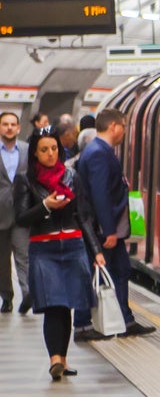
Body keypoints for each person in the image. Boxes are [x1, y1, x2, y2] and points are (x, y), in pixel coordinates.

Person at [13, 129, 94, 381]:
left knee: (66, 305)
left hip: (72, 246)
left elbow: (83, 215)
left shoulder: (71, 176)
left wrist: (97, 251)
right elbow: (22, 217)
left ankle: (63, 359)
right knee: (52, 304)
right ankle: (54, 359)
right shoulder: (26, 180)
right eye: (44, 150)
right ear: (35, 154)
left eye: (54, 149)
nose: (50, 154)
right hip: (44, 248)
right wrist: (46, 205)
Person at [73, 108, 155, 342]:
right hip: (103, 228)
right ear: (114, 127)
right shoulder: (99, 152)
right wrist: (108, 230)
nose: (125, 131)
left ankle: (124, 320)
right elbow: (100, 194)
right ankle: (82, 323)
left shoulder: (97, 150)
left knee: (119, 270)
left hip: (105, 227)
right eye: (124, 126)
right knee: (97, 272)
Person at [0, 111, 29, 313]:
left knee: (23, 256)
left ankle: (27, 295)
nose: (9, 127)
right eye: (5, 124)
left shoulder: (27, 150)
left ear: (18, 128)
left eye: (13, 124)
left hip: (22, 213)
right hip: (0, 214)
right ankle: (7, 296)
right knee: (2, 260)